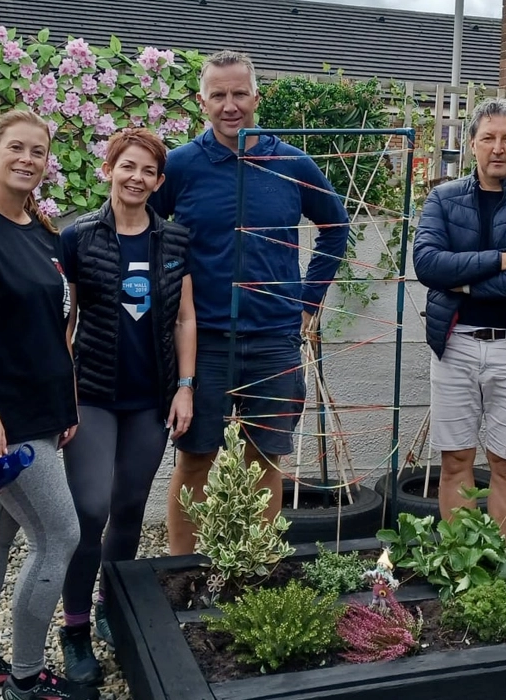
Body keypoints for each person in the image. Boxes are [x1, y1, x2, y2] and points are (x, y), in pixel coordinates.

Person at [151, 49, 350, 555]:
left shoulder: (292, 163)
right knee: (195, 460)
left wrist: (309, 301)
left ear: (257, 97)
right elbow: (139, 227)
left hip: (274, 340)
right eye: (218, 95)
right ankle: (183, 571)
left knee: (266, 460)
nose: (230, 104)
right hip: (204, 344)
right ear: (202, 101)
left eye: (240, 93)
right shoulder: (179, 166)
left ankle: (254, 570)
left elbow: (336, 226)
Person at [0, 111, 93, 700]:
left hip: (46, 405)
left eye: (38, 151)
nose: (27, 160)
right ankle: (27, 679)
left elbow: (57, 324)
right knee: (61, 536)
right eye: (16, 148)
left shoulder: (41, 231)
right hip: (8, 417)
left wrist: (70, 399)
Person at [57, 128, 196, 684]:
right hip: (91, 395)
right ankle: (74, 626)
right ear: (109, 170)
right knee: (89, 510)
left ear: (158, 182)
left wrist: (185, 385)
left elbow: (186, 318)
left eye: (147, 171)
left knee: (130, 508)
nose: (136, 178)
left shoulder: (174, 240)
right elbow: (64, 318)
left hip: (150, 400)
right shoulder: (77, 237)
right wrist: (60, 387)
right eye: (127, 167)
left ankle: (113, 609)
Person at [412, 97, 506, 545]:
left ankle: (499, 570)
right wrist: (500, 259)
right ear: (471, 144)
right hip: (454, 343)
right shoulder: (442, 198)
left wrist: (467, 283)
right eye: (488, 138)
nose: (498, 148)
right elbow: (428, 265)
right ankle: (459, 569)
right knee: (455, 461)